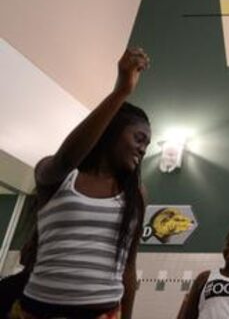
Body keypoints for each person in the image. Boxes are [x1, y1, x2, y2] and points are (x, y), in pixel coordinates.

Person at [10, 48, 151, 319]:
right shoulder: (57, 175)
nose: (143, 149)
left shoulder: (135, 194)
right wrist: (120, 92)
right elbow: (65, 159)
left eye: (147, 143)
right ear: (110, 132)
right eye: (139, 138)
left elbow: (129, 268)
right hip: (38, 310)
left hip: (103, 312)